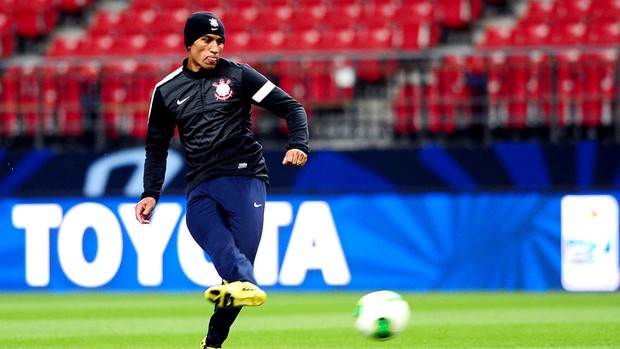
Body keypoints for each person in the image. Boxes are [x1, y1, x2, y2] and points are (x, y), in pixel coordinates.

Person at [134, 11, 309, 349]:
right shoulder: (166, 91)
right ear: (189, 44)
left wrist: (298, 144)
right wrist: (150, 193)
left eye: (219, 42)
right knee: (221, 249)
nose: (214, 48)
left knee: (238, 265)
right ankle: (244, 284)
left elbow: (292, 108)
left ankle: (213, 340)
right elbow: (156, 149)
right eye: (206, 41)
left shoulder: (239, 76)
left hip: (245, 177)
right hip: (200, 186)